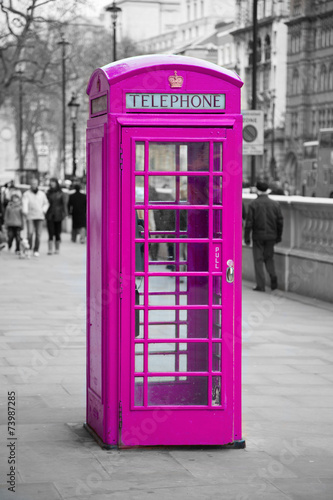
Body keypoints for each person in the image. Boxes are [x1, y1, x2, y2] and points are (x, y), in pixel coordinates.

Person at [244, 180, 283, 292]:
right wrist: (278, 236)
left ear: (257, 190)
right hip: (271, 236)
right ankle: (273, 278)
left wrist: (246, 238)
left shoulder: (253, 204)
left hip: (258, 236)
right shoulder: (275, 204)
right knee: (269, 258)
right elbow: (280, 221)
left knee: (258, 260)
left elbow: (249, 223)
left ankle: (260, 285)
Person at [22, 179, 49, 257]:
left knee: (38, 234)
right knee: (30, 233)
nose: (34, 185)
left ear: (37, 184)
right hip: (30, 215)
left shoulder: (42, 194)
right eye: (32, 183)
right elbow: (25, 203)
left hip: (39, 216)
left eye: (35, 183)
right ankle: (29, 248)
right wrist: (25, 211)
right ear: (30, 184)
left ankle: (36, 249)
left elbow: (46, 203)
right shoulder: (26, 194)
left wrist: (43, 210)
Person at [46, 178, 67, 255]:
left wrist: (65, 214)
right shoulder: (48, 193)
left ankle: (57, 249)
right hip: (50, 214)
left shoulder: (61, 193)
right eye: (51, 183)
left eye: (53, 183)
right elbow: (45, 203)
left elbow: (64, 204)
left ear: (56, 183)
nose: (52, 184)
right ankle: (50, 249)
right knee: (50, 232)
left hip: (58, 214)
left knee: (58, 232)